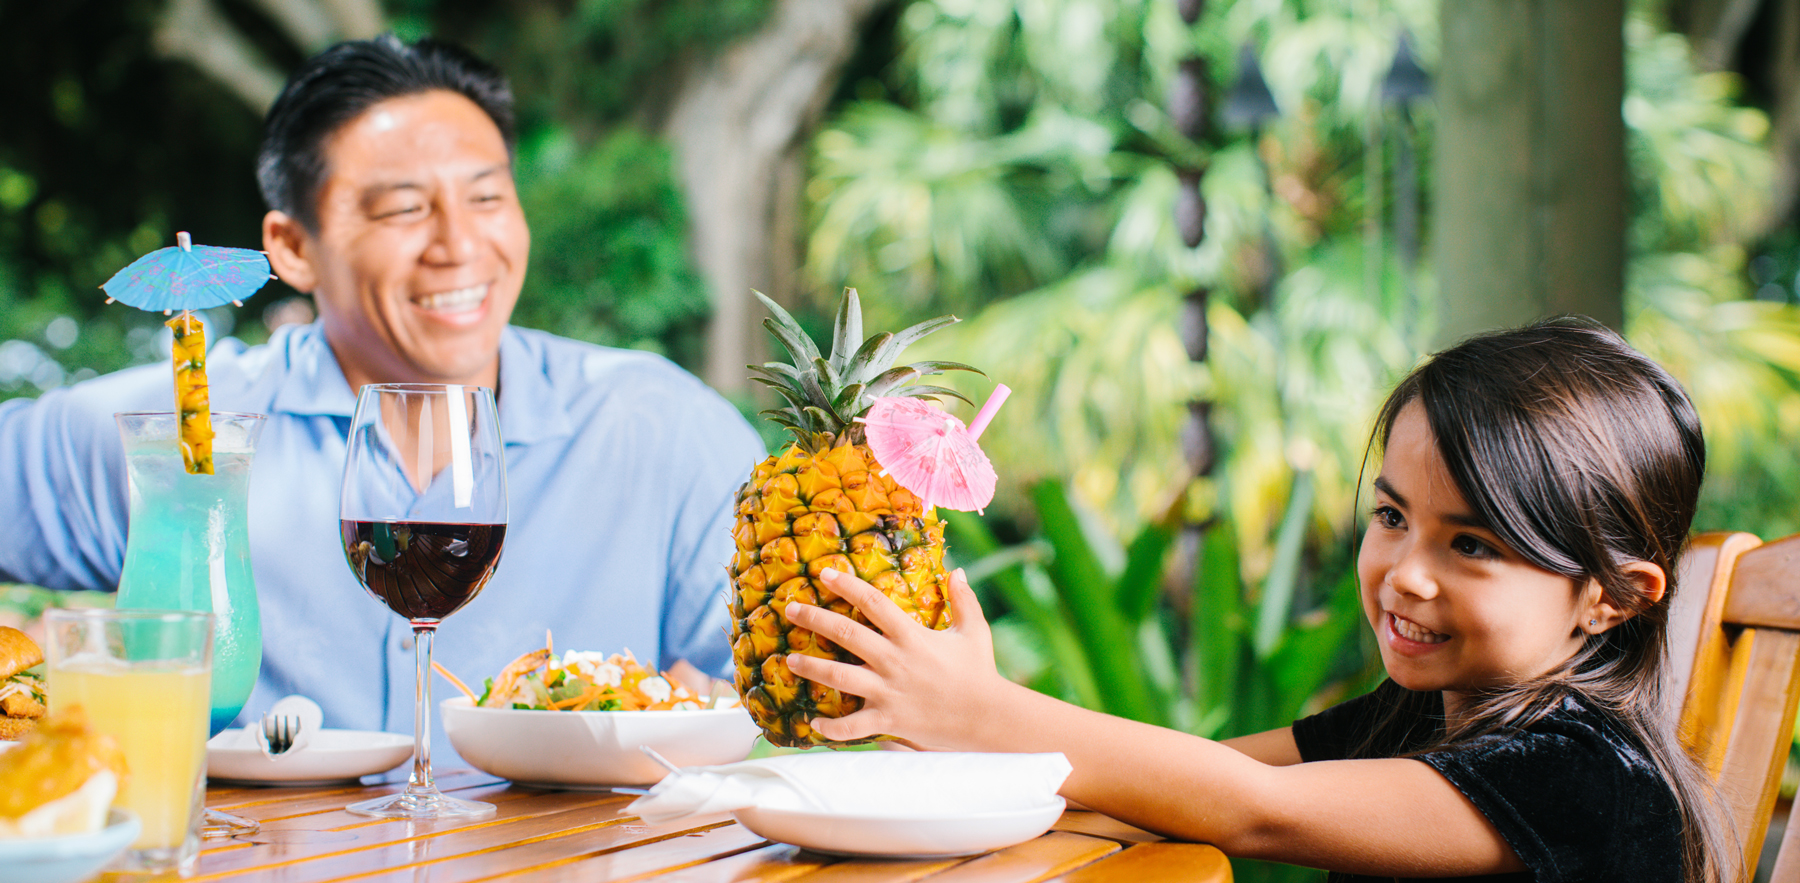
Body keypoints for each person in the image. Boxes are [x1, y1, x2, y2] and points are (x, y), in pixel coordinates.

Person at [0, 35, 764, 755]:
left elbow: (782, 707)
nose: (459, 245)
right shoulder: (172, 432)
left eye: (488, 199)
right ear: (294, 248)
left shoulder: (660, 429)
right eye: (404, 209)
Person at [781, 317, 1732, 882]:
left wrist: (986, 713)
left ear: (1611, 598)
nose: (1405, 570)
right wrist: (961, 752)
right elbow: (1194, 779)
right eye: (1393, 515)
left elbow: (1253, 808)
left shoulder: (1582, 776)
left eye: (1472, 543)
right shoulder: (1426, 717)